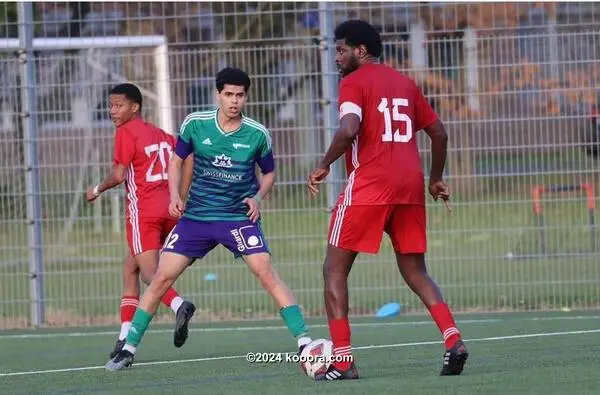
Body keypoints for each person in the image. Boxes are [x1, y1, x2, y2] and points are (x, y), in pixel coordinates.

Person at [105, 67, 311, 371]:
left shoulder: (257, 134)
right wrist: (175, 195)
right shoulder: (195, 124)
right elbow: (177, 161)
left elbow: (269, 172)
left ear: (246, 97)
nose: (234, 101)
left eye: (240, 95)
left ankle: (305, 342)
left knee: (266, 273)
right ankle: (128, 348)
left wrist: (257, 198)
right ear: (218, 94)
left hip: (236, 218)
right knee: (161, 277)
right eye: (228, 94)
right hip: (197, 218)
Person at [307, 20, 468, 381]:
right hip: (410, 186)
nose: (337, 56)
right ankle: (453, 339)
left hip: (370, 184)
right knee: (416, 270)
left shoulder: (352, 83)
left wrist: (322, 165)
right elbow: (439, 134)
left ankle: (344, 362)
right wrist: (437, 178)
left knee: (333, 270)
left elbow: (349, 129)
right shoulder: (405, 83)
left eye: (342, 49)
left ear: (360, 51)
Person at [86, 83, 196, 359]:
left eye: (118, 105)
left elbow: (120, 174)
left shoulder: (125, 131)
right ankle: (124, 337)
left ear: (134, 108)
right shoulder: (160, 134)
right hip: (171, 212)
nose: (113, 111)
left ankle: (179, 305)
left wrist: (97, 189)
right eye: (110, 105)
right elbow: (189, 155)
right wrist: (181, 195)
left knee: (151, 273)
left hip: (143, 213)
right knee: (130, 266)